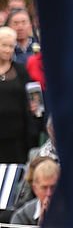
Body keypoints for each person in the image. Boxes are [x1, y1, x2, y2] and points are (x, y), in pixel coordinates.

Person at [3, 157, 58, 228]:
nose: (49, 194)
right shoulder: (23, 215)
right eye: (44, 188)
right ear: (35, 188)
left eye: (53, 187)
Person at [0, 27, 35, 163]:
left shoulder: (21, 71)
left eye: (11, 46)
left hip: (17, 138)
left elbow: (34, 100)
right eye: (4, 45)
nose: (8, 50)